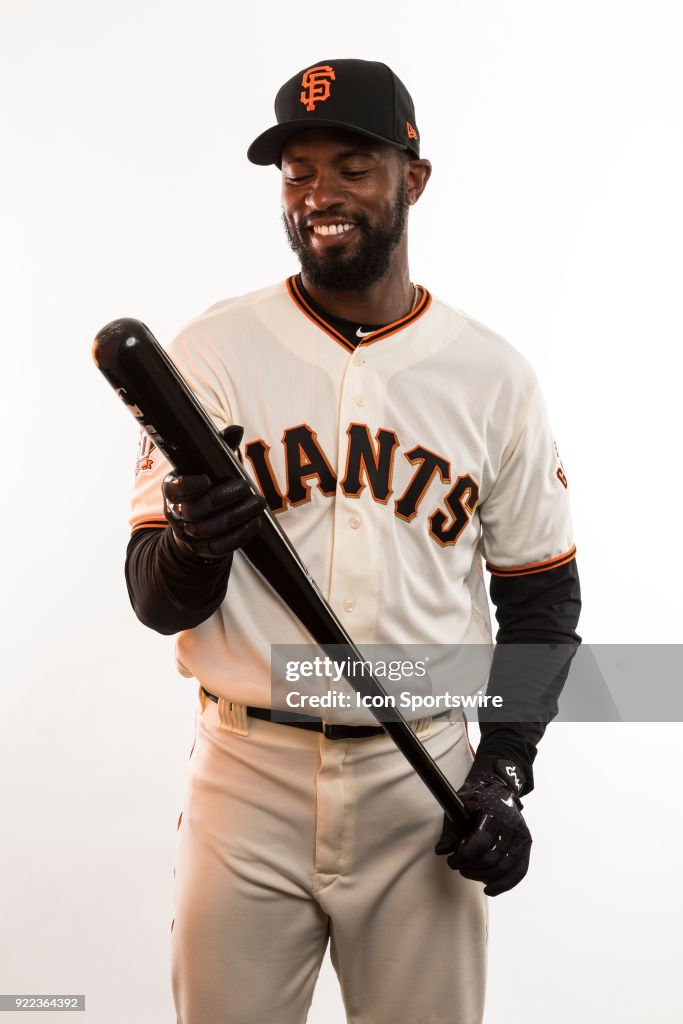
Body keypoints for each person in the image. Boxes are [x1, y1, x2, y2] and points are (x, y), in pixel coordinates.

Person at [125, 59, 581, 1024]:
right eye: (296, 171)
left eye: (352, 166)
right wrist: (197, 547)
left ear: (412, 178)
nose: (319, 195)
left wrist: (503, 769)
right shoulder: (207, 353)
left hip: (421, 781)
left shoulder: (493, 377)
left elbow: (542, 602)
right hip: (245, 776)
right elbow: (155, 598)